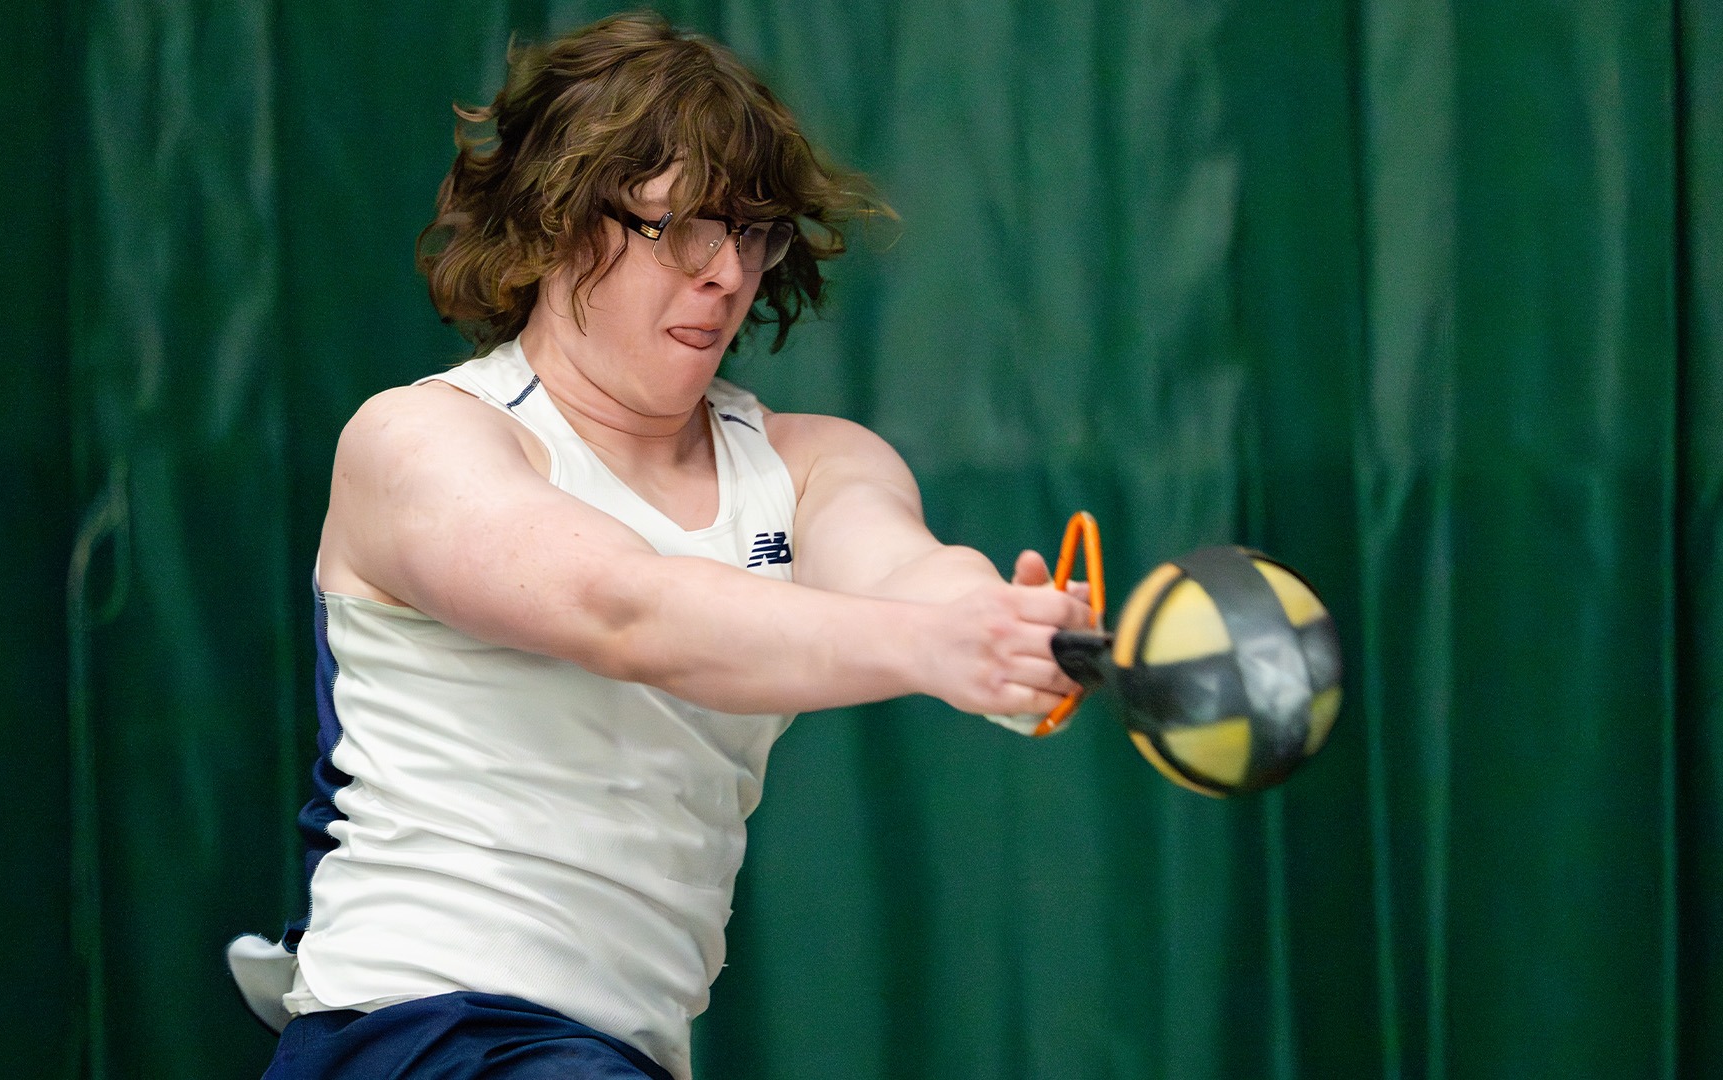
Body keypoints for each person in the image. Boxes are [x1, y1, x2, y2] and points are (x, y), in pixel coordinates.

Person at [232, 12, 1096, 1080]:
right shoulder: (421, 440)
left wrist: (1005, 628)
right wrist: (937, 648)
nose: (727, 273)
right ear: (558, 221)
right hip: (415, 1035)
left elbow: (908, 571)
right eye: (680, 227)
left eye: (752, 233)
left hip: (611, 1052)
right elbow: (625, 608)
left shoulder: (814, 463)